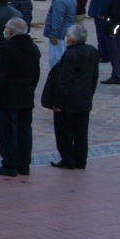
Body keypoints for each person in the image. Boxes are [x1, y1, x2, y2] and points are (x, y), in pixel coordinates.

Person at [42, 24, 98, 169]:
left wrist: (58, 103)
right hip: (84, 100)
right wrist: (90, 94)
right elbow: (94, 76)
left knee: (64, 133)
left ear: (71, 39)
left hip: (68, 102)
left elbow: (64, 81)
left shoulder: (70, 55)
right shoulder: (91, 51)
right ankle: (80, 160)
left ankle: (68, 159)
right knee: (81, 132)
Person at [0, 18, 40, 178]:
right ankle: (23, 164)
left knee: (7, 131)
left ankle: (9, 163)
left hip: (8, 96)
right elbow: (36, 74)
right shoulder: (33, 48)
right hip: (26, 95)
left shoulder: (7, 49)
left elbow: (1, 76)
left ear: (10, 32)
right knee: (24, 130)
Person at [43, 0, 77, 67]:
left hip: (59, 34)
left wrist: (54, 34)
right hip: (67, 32)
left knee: (56, 59)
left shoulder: (60, 1)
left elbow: (57, 19)